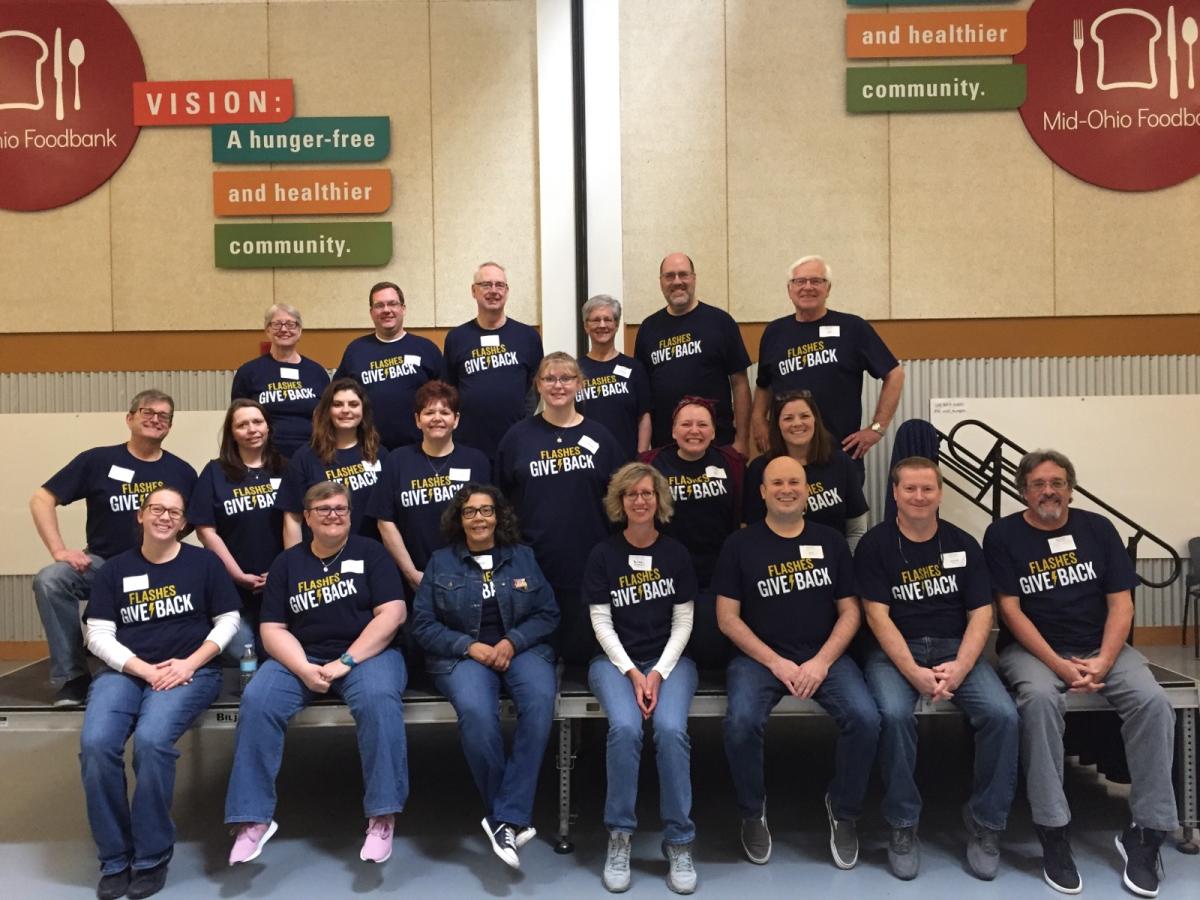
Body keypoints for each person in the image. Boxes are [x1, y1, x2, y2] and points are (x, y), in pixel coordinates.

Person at [984, 449, 1177, 898]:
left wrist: (1105, 661)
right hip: (1035, 651)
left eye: (1056, 482)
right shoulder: (1003, 535)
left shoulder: (1097, 529)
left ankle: (1146, 833)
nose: (1048, 491)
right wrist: (1058, 665)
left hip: (1102, 647)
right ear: (1022, 491)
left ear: (1070, 488)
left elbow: (1121, 603)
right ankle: (1053, 830)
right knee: (1038, 701)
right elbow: (1010, 612)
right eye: (1037, 484)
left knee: (1154, 703)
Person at [226, 481, 408, 866]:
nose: (333, 516)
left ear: (350, 514)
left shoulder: (371, 553)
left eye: (340, 509)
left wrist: (346, 662)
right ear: (306, 517)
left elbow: (393, 614)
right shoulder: (287, 563)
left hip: (367, 655)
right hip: (301, 657)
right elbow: (272, 629)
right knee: (257, 700)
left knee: (378, 701)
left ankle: (382, 817)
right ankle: (252, 820)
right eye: (323, 510)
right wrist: (304, 669)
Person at [856, 457, 1018, 881]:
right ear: (894, 493)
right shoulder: (874, 545)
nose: (919, 497)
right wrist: (912, 671)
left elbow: (982, 613)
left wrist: (962, 667)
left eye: (927, 489)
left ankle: (986, 823)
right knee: (892, 716)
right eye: (909, 489)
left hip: (955, 649)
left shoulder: (964, 544)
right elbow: (876, 616)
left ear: (940, 493)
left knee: (1003, 715)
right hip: (895, 652)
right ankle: (902, 823)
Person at [715, 456, 879, 870]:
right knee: (740, 724)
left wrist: (821, 662)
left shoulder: (831, 542)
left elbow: (851, 612)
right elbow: (726, 618)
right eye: (777, 483)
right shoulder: (740, 545)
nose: (786, 489)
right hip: (759, 659)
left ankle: (843, 811)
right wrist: (778, 664)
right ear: (763, 492)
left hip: (823, 657)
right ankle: (753, 812)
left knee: (865, 718)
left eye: (794, 482)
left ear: (807, 491)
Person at [80, 486, 241, 900]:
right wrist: (142, 669)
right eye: (157, 509)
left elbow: (227, 621)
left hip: (188, 671)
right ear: (140, 515)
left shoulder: (204, 564)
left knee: (152, 743)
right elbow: (98, 634)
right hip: (127, 671)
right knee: (97, 744)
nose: (165, 517)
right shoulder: (115, 570)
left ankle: (151, 857)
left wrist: (190, 662)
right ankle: (115, 859)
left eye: (175, 512)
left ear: (184, 522)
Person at [412, 484, 558, 869]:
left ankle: (504, 817)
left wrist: (513, 640)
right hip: (462, 656)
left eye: (486, 511)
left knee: (541, 703)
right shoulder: (441, 563)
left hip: (521, 650)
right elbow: (423, 625)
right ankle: (509, 818)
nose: (479, 518)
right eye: (470, 512)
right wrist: (468, 646)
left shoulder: (523, 557)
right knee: (477, 713)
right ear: (459, 520)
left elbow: (548, 614)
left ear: (499, 516)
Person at [31, 389, 199, 706]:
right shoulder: (98, 460)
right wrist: (60, 551)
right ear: (130, 418)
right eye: (148, 412)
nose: (155, 420)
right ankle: (73, 677)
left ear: (170, 426)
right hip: (103, 565)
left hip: (160, 571)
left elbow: (195, 522)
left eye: (164, 416)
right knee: (50, 579)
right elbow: (42, 499)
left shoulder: (182, 472)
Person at [584, 463, 698, 894]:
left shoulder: (676, 554)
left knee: (669, 730)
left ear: (659, 500)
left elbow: (683, 623)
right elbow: (601, 622)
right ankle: (620, 836)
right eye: (631, 494)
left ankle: (680, 840)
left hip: (670, 662)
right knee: (626, 729)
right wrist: (633, 672)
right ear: (620, 501)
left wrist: (658, 673)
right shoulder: (603, 555)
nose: (640, 500)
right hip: (615, 664)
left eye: (648, 493)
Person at [496, 352, 625, 664]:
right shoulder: (517, 438)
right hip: (533, 564)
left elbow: (621, 500)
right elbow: (499, 499)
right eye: (549, 378)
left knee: (581, 656)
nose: (558, 385)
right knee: (538, 655)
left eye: (566, 378)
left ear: (579, 384)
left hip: (588, 563)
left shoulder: (600, 437)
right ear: (538, 385)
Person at [751, 256, 903, 469]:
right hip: (786, 455)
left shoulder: (853, 328)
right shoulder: (774, 332)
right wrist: (758, 421)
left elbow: (895, 374)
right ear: (789, 289)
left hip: (840, 454)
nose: (807, 287)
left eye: (816, 281)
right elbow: (764, 383)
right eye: (800, 281)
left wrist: (877, 428)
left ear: (828, 288)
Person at [643, 396, 743, 668]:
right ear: (673, 430)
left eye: (702, 424)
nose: (694, 431)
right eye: (686, 424)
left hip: (716, 575)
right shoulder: (651, 464)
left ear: (713, 431)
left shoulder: (732, 464)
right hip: (664, 575)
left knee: (709, 652)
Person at [368, 380, 491, 592]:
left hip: (468, 576)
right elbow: (385, 522)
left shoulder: (476, 461)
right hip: (412, 578)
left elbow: (488, 520)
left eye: (445, 412)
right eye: (428, 412)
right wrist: (411, 574)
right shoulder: (397, 460)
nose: (437, 418)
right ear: (417, 420)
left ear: (456, 420)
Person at [189, 399, 286, 658]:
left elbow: (299, 524)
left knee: (274, 653)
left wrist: (280, 571)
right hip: (230, 586)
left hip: (277, 583)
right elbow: (205, 530)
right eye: (242, 424)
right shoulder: (214, 472)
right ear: (232, 433)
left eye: (257, 422)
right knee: (240, 655)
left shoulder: (287, 469)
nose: (252, 429)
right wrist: (237, 575)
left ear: (268, 427)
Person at [634, 253, 752, 456]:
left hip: (718, 444)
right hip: (665, 447)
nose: (677, 282)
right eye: (670, 276)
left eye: (683, 275)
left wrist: (742, 439)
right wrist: (644, 449)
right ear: (661, 282)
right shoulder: (648, 328)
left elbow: (740, 383)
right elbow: (643, 396)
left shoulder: (720, 322)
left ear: (694, 278)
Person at [743, 390, 869, 548]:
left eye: (804, 416)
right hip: (778, 565)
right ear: (777, 425)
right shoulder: (760, 469)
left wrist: (846, 566)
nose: (797, 423)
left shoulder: (841, 463)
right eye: (788, 418)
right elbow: (754, 532)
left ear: (815, 420)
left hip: (834, 562)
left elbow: (856, 531)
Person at [443, 262, 544, 459]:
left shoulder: (528, 337)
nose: (494, 291)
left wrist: (523, 421)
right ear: (474, 291)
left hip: (516, 440)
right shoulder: (456, 338)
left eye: (500, 285)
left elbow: (535, 388)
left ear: (507, 291)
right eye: (486, 285)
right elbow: (449, 389)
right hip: (468, 442)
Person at [333, 281, 444, 450]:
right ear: (371, 312)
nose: (386, 310)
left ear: (403, 309)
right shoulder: (356, 350)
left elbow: (446, 398)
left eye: (392, 304)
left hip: (419, 448)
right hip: (367, 448)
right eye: (379, 305)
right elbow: (337, 395)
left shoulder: (426, 349)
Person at [276, 378, 387, 545]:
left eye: (353, 404)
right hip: (320, 559)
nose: (346, 410)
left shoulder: (380, 454)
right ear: (327, 410)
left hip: (370, 555)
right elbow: (293, 518)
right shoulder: (305, 457)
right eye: (337, 404)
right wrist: (297, 566)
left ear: (363, 410)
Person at [231, 303, 330, 458]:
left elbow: (327, 418)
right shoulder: (249, 372)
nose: (284, 329)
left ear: (300, 330)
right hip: (264, 456)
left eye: (291, 324)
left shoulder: (317, 372)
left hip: (312, 454)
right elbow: (238, 419)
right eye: (277, 324)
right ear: (267, 330)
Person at [577, 294, 652, 459]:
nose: (602, 325)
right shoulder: (574, 370)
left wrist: (642, 456)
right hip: (586, 461)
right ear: (585, 326)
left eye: (608, 319)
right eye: (595, 320)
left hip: (627, 463)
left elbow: (644, 416)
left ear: (617, 325)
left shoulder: (634, 368)